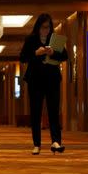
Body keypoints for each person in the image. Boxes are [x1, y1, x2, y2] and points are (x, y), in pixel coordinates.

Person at [20, 13, 68, 155]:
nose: (46, 30)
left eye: (48, 27)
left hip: (52, 79)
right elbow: (23, 57)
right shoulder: (31, 40)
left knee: (53, 111)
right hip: (35, 80)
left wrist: (53, 52)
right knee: (36, 112)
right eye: (43, 27)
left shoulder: (55, 39)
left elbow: (65, 56)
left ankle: (56, 142)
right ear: (38, 27)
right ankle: (37, 144)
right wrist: (36, 53)